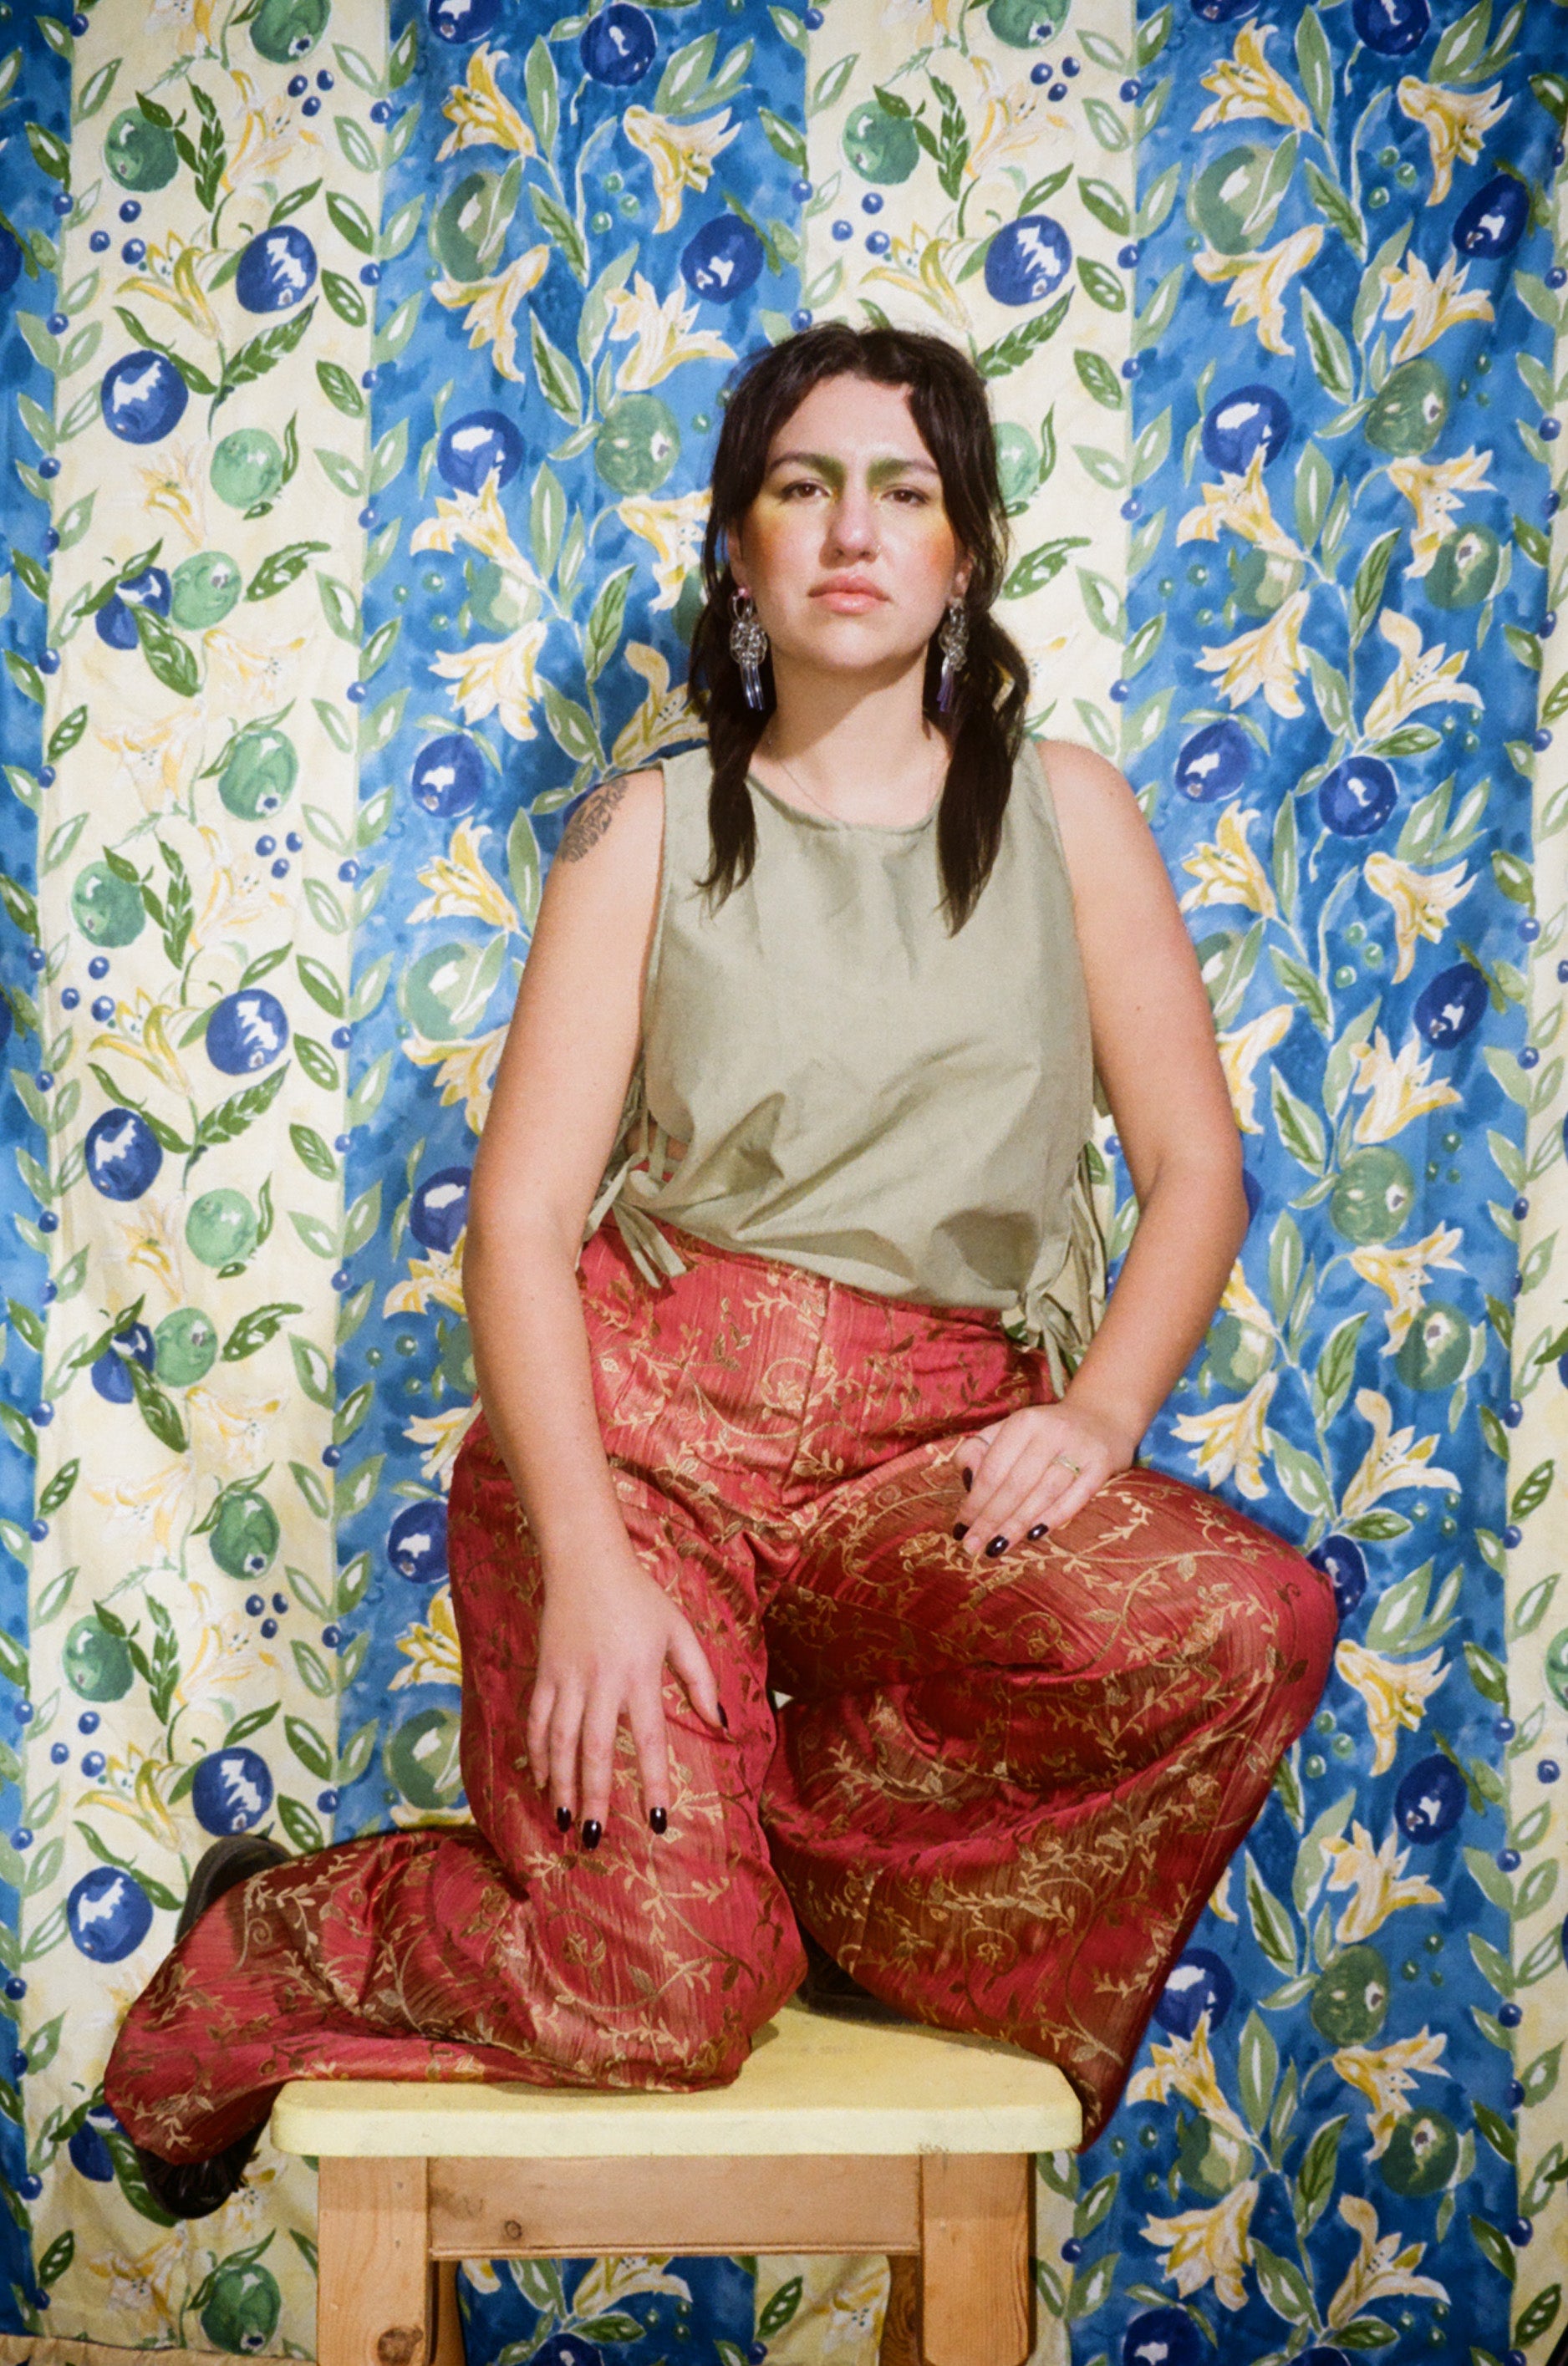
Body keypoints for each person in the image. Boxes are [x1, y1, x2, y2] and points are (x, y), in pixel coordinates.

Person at [105, 322, 1336, 2219]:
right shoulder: (647, 827)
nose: (852, 531)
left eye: (903, 490)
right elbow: (517, 1228)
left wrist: (1097, 1414)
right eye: (801, 486)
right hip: (645, 1445)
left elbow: (1195, 1172)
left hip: (926, 1475)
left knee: (1238, 1622)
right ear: (739, 550)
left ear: (965, 550)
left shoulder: (1068, 817)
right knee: (667, 1993)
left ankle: (784, 1873)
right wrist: (587, 1566)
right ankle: (281, 1928)